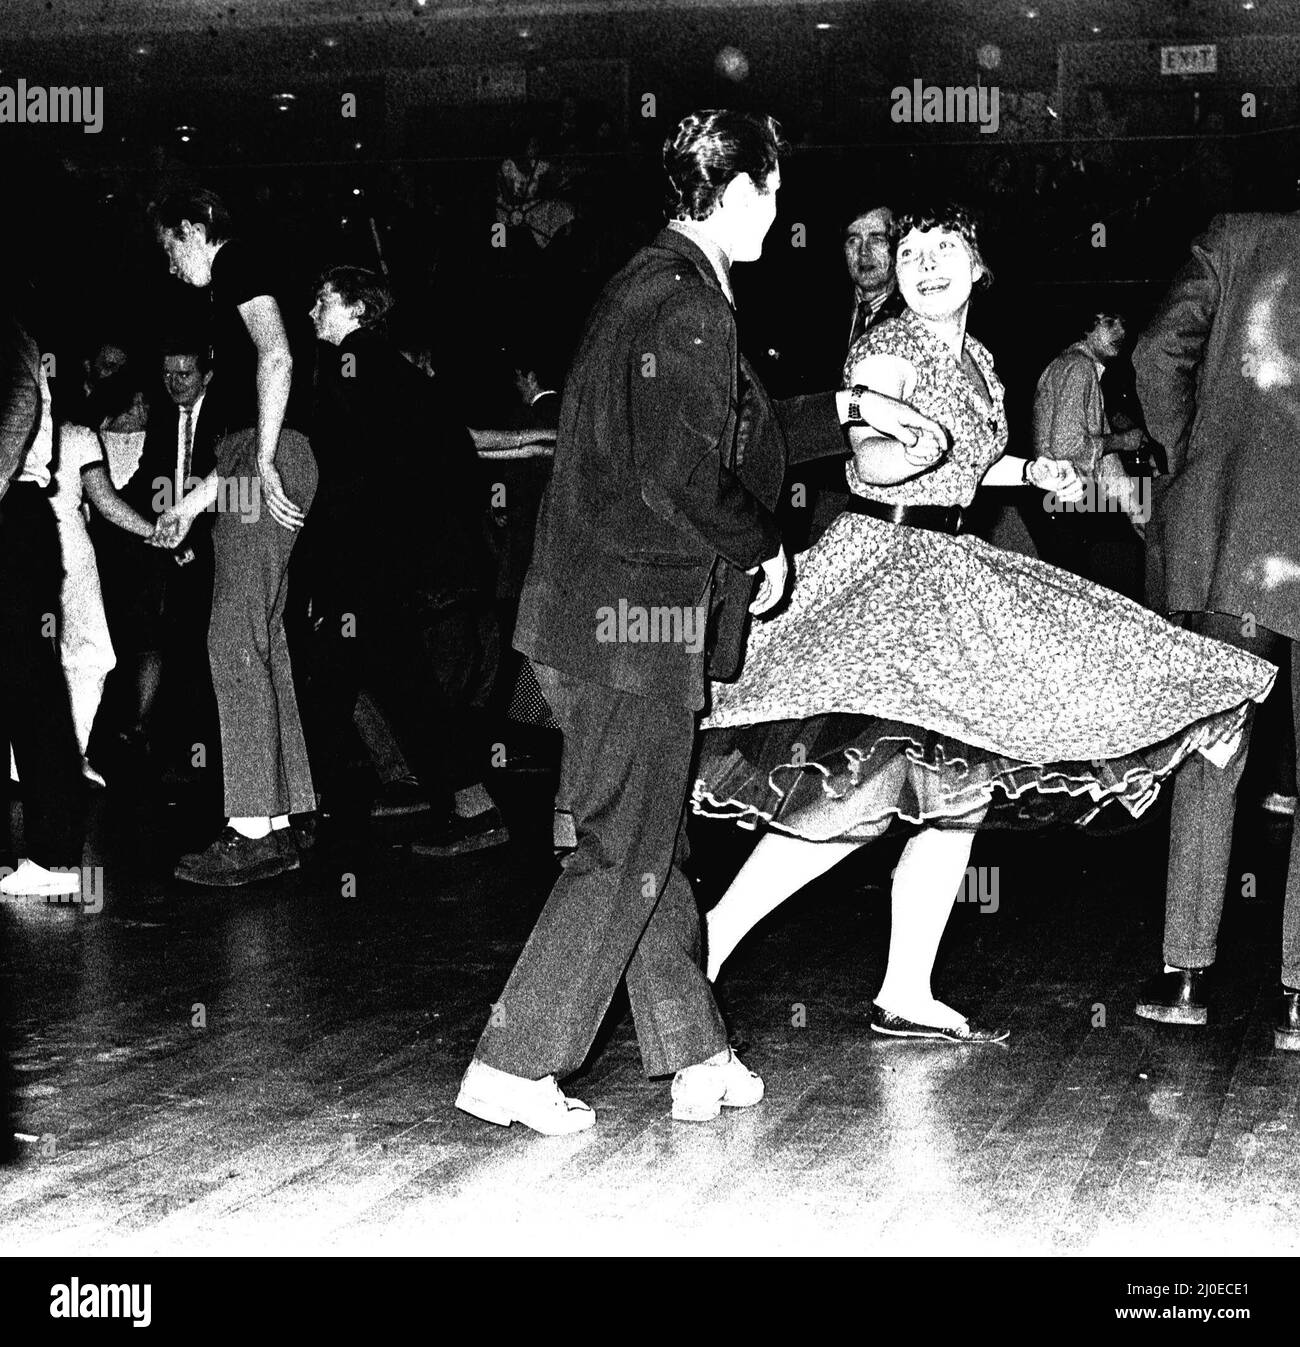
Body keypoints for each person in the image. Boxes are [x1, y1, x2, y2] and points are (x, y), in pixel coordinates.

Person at [455, 110, 950, 1135]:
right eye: (774, 190)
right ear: (741, 191)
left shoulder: (658, 284)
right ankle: (513, 1060)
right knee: (619, 849)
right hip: (631, 624)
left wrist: (851, 411)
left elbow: (730, 431)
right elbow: (684, 472)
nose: (781, 210)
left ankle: (697, 1052)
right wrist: (763, 547)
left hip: (603, 617)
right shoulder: (688, 304)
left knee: (649, 838)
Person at [693, 203, 1276, 1043]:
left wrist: (1029, 467)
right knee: (859, 787)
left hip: (953, 567)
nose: (923, 264)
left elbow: (971, 458)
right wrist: (909, 452)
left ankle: (906, 985)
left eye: (944, 249)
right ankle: (711, 939)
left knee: (955, 794)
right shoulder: (889, 348)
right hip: (889, 571)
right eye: (911, 252)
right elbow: (871, 451)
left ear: (977, 267)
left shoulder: (979, 360)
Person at [1132, 212, 1300, 1049]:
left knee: (1215, 753)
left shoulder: (1240, 237)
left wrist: (1196, 451)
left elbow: (1154, 353)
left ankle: (1188, 974)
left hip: (1242, 527)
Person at [306, 264, 506, 853]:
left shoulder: (348, 366)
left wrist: (328, 565)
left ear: (356, 310)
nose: (312, 310)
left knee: (358, 683)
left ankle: (286, 816)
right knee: (383, 683)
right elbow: (449, 461)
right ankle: (471, 807)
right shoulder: (398, 372)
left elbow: (346, 477)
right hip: (398, 562)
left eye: (324, 299)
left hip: (368, 565)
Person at [150, 188, 318, 887]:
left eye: (170, 247)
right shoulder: (246, 277)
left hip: (267, 453)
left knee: (230, 636)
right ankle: (282, 818)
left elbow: (275, 359)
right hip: (263, 455)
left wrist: (269, 457)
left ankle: (249, 825)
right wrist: (191, 503)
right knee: (262, 636)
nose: (169, 265)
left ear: (195, 228)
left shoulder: (239, 266)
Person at [0, 312, 86, 897]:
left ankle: (55, 861)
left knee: (30, 681)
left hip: (12, 516)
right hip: (18, 515)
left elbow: (16, 407)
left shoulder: (7, 331)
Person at [50, 367, 160, 786]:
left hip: (23, 545)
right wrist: (158, 533)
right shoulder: (79, 436)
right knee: (92, 655)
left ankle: (24, 765)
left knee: (34, 656)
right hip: (70, 550)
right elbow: (108, 503)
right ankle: (69, 757)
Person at [799, 204, 907, 549]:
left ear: (897, 246)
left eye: (877, 238)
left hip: (881, 502)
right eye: (852, 240)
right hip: (813, 491)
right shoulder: (811, 314)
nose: (864, 252)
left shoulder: (914, 321)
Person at [1031, 306, 1148, 588]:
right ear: (1086, 327)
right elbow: (1067, 447)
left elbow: (1104, 460)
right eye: (1109, 322)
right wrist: (1123, 441)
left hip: (1063, 507)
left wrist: (1135, 511)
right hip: (1067, 505)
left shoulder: (1077, 369)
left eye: (1123, 323)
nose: (1120, 332)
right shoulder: (1079, 367)